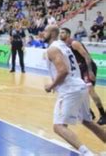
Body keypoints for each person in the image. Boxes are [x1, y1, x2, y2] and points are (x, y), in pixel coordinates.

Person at [43, 25, 105, 156]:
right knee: (87, 121)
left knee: (58, 126)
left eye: (46, 31)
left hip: (70, 89)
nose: (43, 33)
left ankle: (87, 153)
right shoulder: (64, 46)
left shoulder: (53, 49)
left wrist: (51, 85)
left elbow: (63, 71)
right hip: (80, 86)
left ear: (53, 34)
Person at [60, 28, 105, 125]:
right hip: (79, 69)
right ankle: (89, 113)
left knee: (90, 90)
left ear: (68, 34)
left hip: (87, 67)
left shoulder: (74, 43)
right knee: (79, 91)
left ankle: (103, 114)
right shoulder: (64, 46)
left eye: (62, 32)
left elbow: (87, 56)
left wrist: (90, 71)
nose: (60, 34)